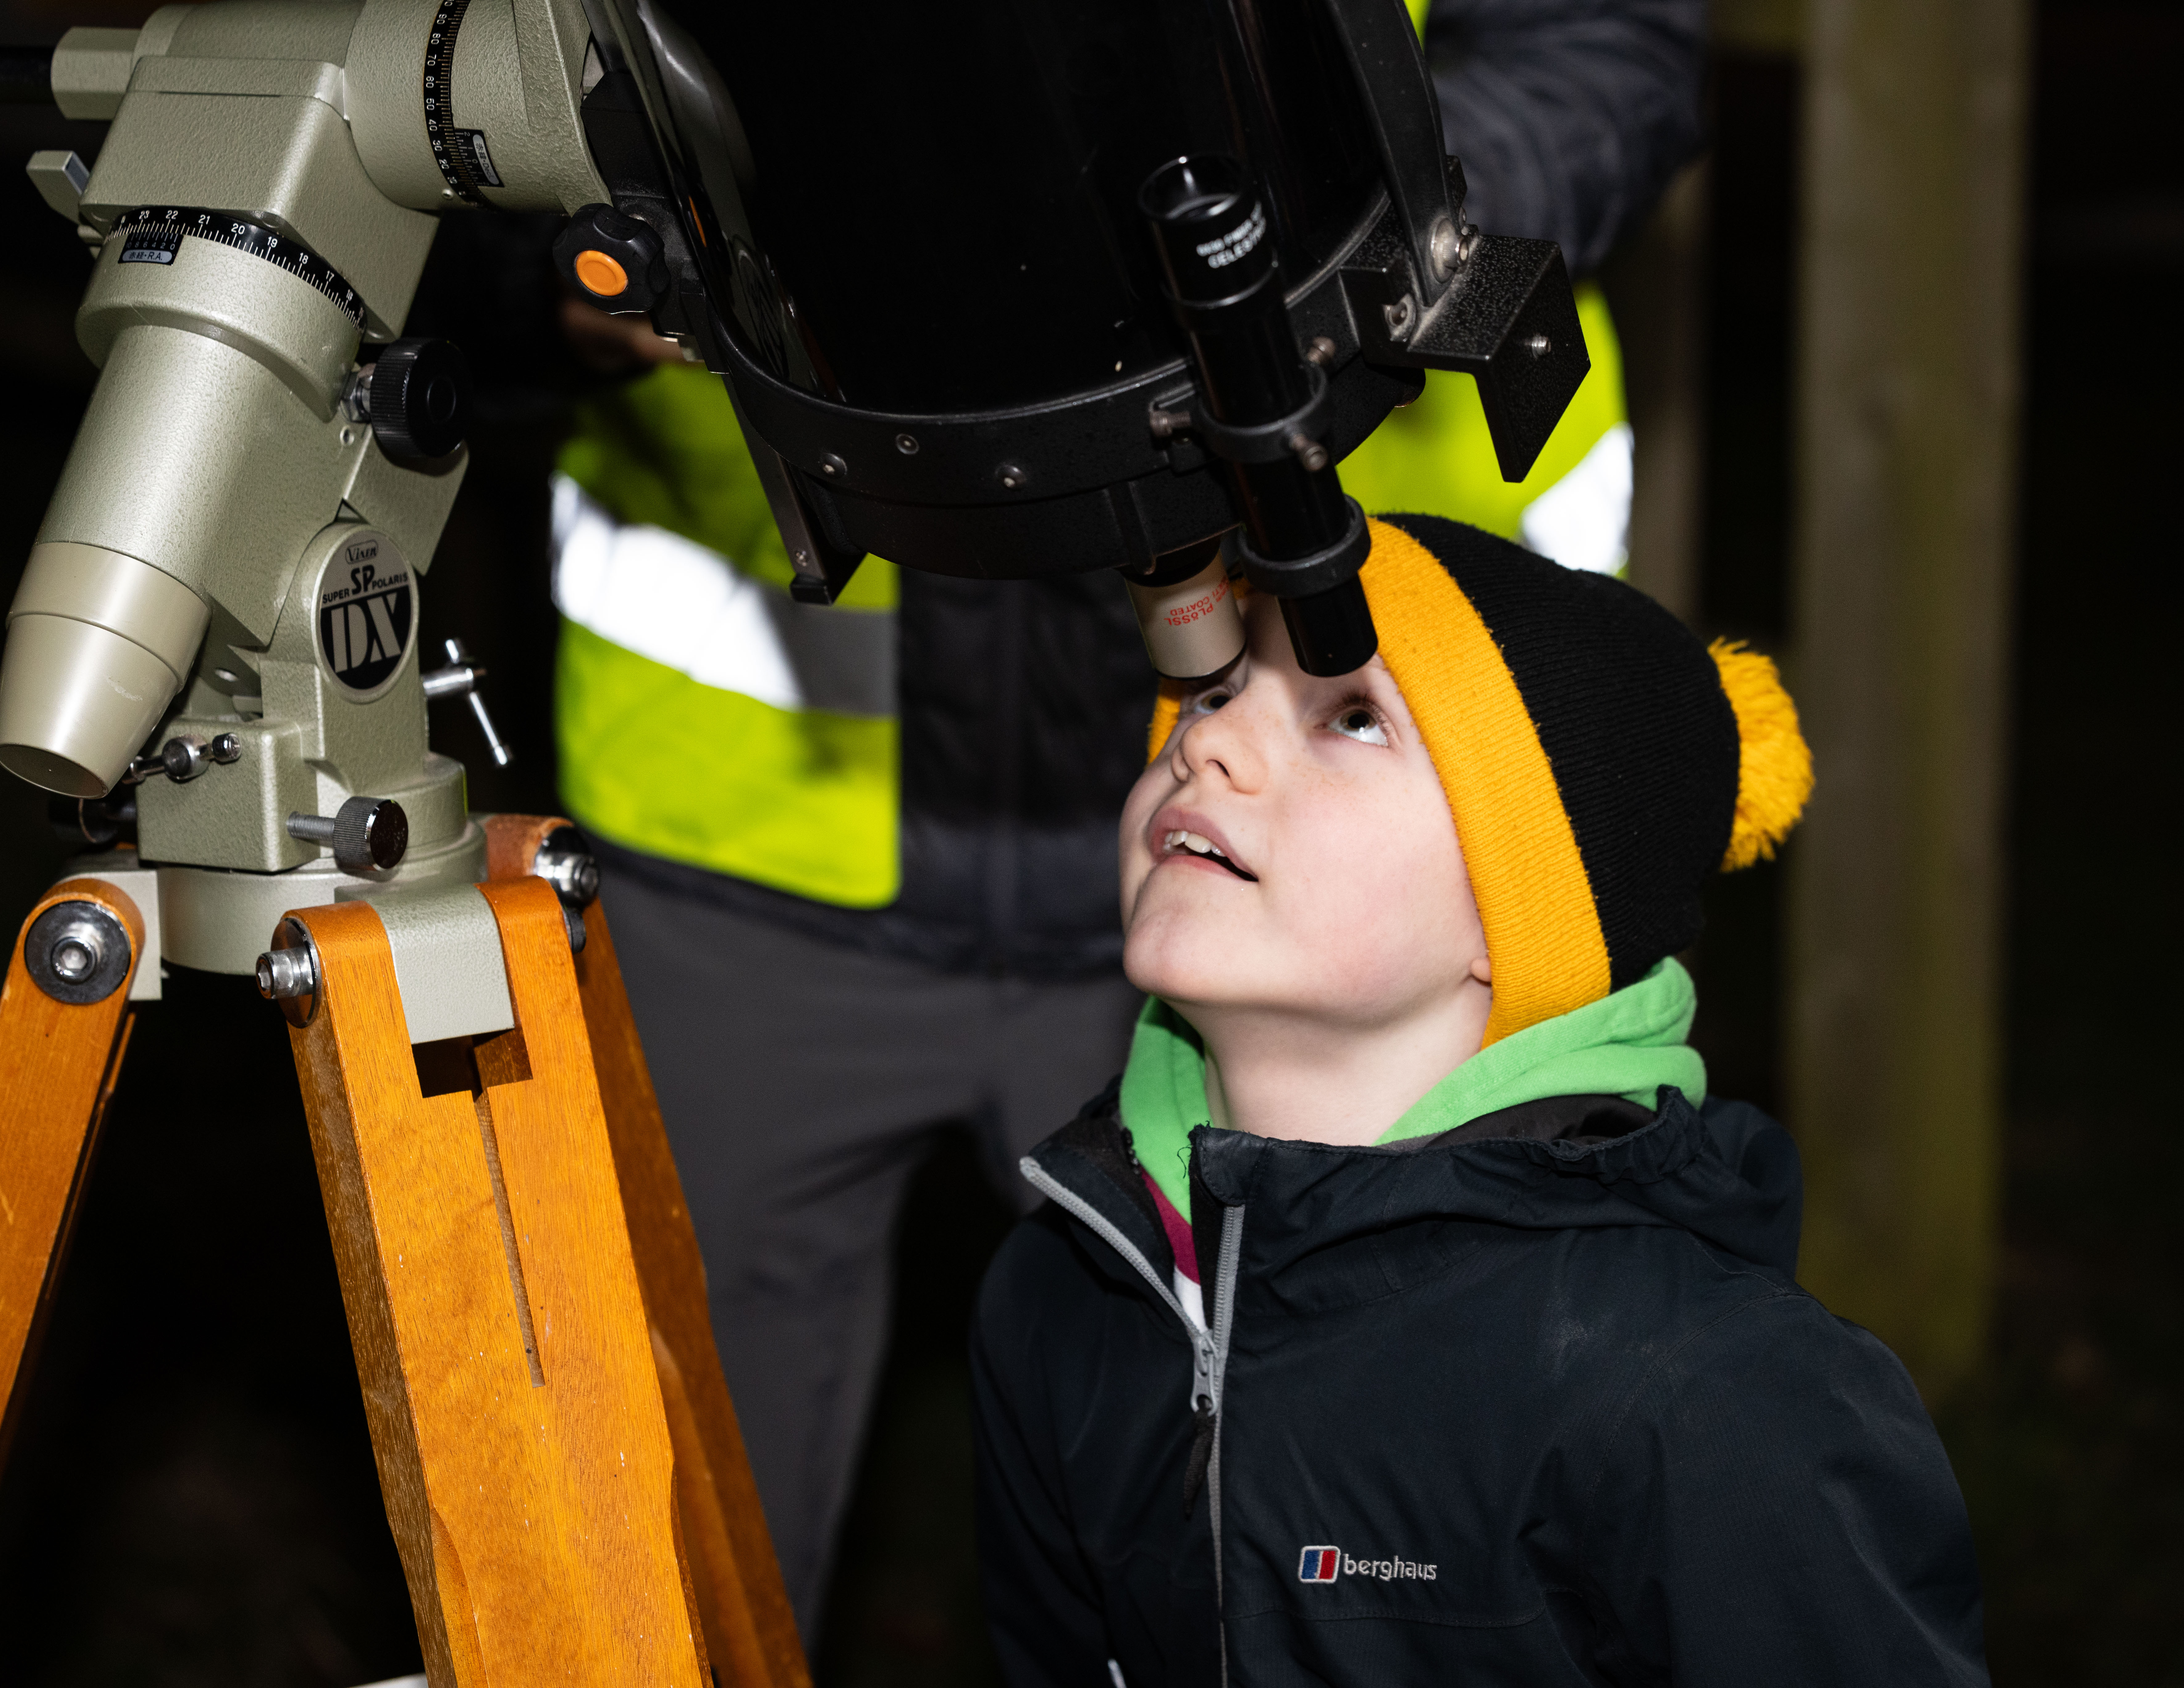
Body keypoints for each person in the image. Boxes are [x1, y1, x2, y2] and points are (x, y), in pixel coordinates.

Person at [541, 0, 1707, 1631]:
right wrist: (576, 269)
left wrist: (1327, 224)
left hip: (1313, 912)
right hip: (747, 872)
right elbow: (471, 105)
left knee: (1339, 1564)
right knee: (644, 1565)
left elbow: (1614, 45)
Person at [970, 516, 1990, 1686]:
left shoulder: (1704, 1396)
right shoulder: (1061, 1294)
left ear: (1518, 922)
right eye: (1210, 693)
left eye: (1354, 717)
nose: (1212, 746)